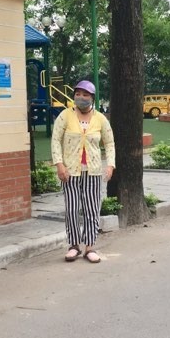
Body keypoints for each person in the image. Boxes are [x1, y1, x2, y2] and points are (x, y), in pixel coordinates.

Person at [51, 80, 115, 263]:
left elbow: (109, 143)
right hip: (70, 171)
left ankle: (90, 247)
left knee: (91, 209)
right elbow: (56, 140)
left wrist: (110, 165)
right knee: (71, 209)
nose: (81, 98)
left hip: (93, 172)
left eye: (85, 95)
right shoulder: (65, 116)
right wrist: (59, 164)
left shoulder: (100, 119)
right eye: (78, 94)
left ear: (92, 98)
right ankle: (73, 246)